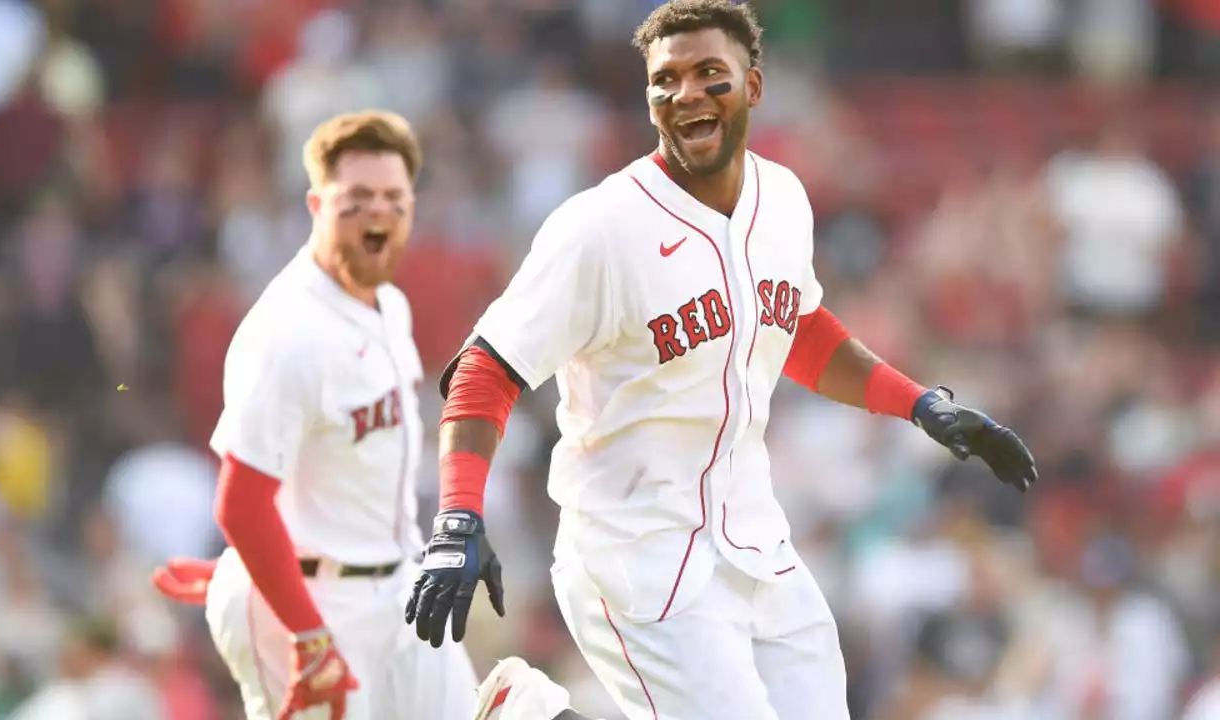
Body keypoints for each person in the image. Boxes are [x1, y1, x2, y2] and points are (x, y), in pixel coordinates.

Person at [407, 3, 1038, 720]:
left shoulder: (783, 200)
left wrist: (919, 403)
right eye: (665, 81)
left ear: (754, 86)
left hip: (754, 537)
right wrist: (459, 517)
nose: (686, 95)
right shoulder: (599, 229)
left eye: (710, 75)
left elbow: (794, 326)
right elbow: (483, 369)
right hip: (635, 550)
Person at [151, 110, 478, 720]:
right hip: (313, 608)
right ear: (316, 204)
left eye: (393, 197)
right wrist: (306, 632)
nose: (378, 212)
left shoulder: (390, 306)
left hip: (395, 581)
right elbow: (240, 503)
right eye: (356, 197)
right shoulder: (289, 331)